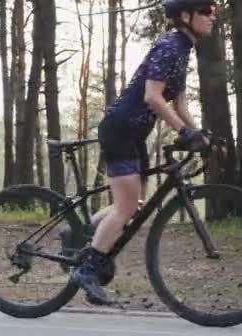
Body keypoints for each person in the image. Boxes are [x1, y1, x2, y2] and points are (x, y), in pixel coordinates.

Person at [68, 0, 217, 305]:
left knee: (133, 204)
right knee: (124, 208)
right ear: (186, 16)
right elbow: (152, 96)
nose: (212, 16)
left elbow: (179, 105)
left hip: (134, 133)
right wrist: (182, 131)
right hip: (120, 129)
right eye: (206, 11)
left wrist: (198, 132)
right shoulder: (169, 47)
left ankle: (77, 236)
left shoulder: (182, 49)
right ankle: (88, 269)